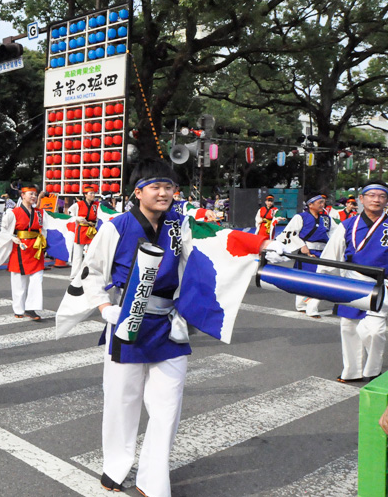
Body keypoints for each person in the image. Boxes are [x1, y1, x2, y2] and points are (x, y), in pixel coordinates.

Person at [56, 159, 278, 496]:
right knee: (122, 401)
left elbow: (218, 238)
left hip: (168, 324)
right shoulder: (116, 227)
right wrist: (104, 308)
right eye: (155, 187)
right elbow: (93, 271)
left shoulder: (181, 224)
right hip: (127, 321)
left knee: (167, 407)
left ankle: (153, 480)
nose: (163, 193)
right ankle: (116, 464)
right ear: (138, 191)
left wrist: (261, 245)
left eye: (169, 187)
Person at [316, 182, 388, 384]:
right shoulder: (347, 225)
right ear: (361, 199)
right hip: (351, 282)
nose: (376, 199)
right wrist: (321, 282)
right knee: (349, 327)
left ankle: (373, 370)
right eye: (371, 195)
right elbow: (331, 256)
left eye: (382, 196)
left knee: (375, 331)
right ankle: (352, 371)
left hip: (381, 285)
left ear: (387, 200)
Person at [275, 193, 331, 318]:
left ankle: (310, 307)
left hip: (322, 252)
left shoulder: (326, 219)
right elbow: (289, 233)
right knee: (305, 279)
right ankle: (303, 306)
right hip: (307, 252)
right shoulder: (301, 217)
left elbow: (334, 234)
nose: (323, 205)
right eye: (320, 202)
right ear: (310, 204)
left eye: (323, 202)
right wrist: (301, 246)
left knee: (319, 280)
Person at [0, 185, 46, 321]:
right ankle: (19, 309)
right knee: (19, 281)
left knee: (37, 279)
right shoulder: (13, 212)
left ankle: (31, 308)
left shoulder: (40, 213)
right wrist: (11, 237)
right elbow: (1, 227)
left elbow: (48, 226)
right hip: (20, 247)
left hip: (36, 248)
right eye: (30, 194)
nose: (33, 196)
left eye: (35, 194)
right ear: (23, 196)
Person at [68, 184, 100, 279]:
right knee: (77, 254)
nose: (93, 195)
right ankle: (74, 275)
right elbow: (70, 213)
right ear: (85, 194)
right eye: (91, 193)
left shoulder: (97, 205)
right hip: (81, 229)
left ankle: (88, 273)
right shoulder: (78, 204)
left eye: (93, 193)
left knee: (92, 253)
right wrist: (77, 218)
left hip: (92, 229)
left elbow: (103, 213)